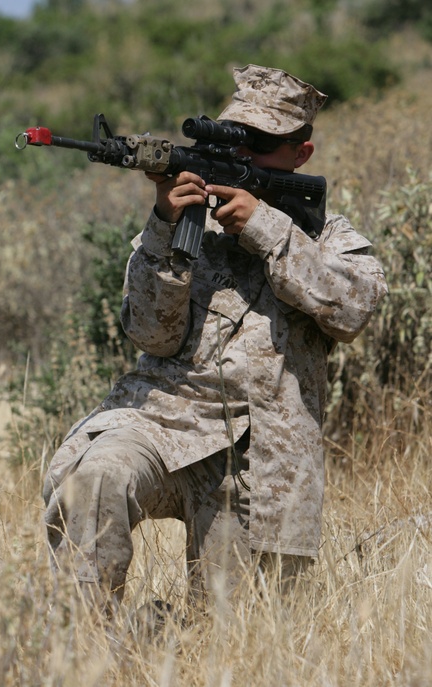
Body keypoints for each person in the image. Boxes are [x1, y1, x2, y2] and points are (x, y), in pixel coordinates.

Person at [42, 65, 388, 612]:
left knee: (233, 638)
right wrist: (163, 223)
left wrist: (264, 227)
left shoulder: (329, 238)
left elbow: (352, 310)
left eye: (262, 144)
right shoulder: (184, 223)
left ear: (302, 154)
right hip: (161, 422)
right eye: (236, 139)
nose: (244, 155)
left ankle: (153, 633)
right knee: (96, 478)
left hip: (259, 454)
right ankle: (81, 653)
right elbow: (151, 335)